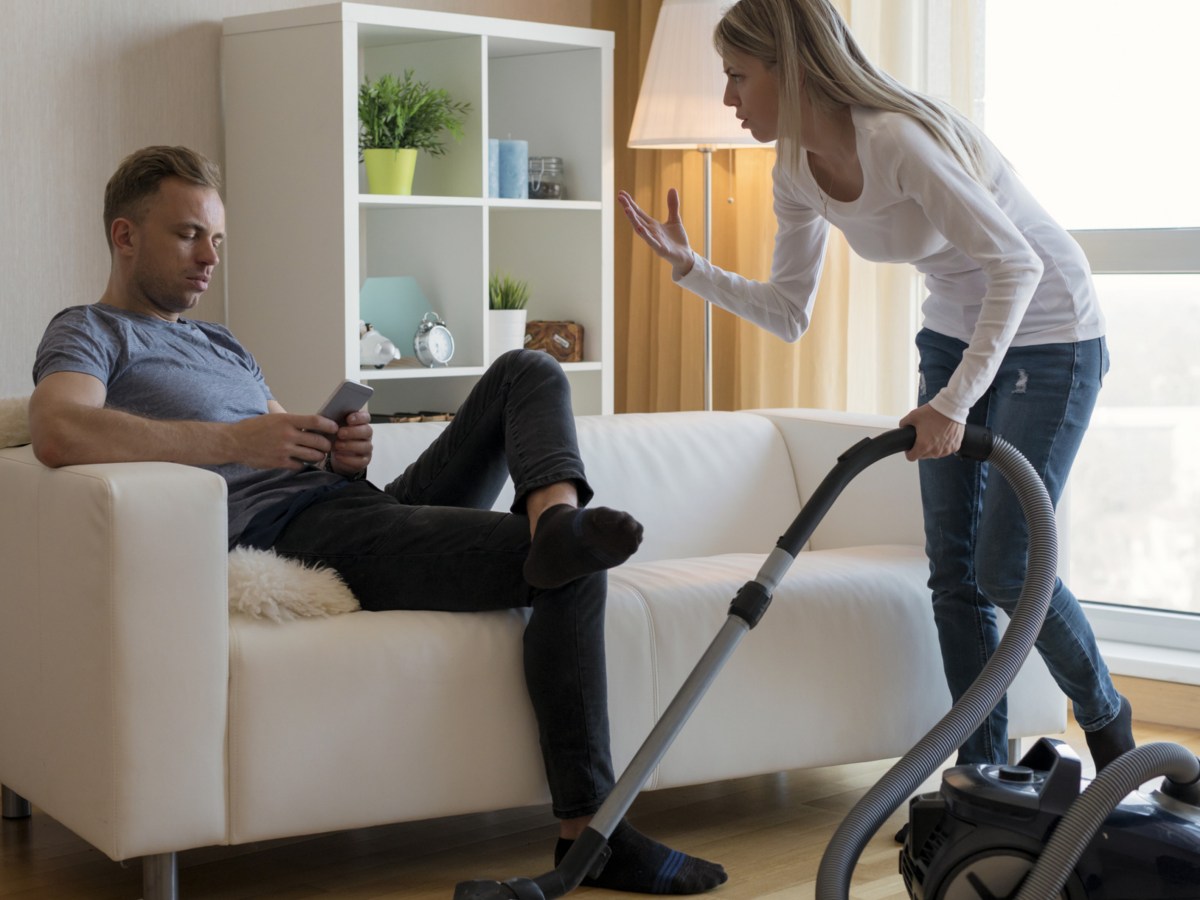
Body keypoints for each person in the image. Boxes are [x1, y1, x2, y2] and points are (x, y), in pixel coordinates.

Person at [29, 145, 727, 896]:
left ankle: (555, 519)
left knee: (529, 369)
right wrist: (235, 443)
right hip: (302, 536)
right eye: (189, 235)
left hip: (353, 504)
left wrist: (339, 451)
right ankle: (591, 836)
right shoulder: (91, 331)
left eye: (218, 241)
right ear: (125, 235)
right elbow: (59, 429)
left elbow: (283, 446)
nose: (209, 258)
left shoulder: (219, 340)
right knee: (573, 566)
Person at [619, 0, 1134, 779]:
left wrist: (952, 402)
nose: (729, 100)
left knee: (1005, 565)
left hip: (1051, 329)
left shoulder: (896, 140)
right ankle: (983, 777)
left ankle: (1108, 721)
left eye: (736, 77)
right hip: (957, 331)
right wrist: (694, 272)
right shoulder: (794, 167)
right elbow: (791, 312)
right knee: (952, 573)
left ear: (788, 70)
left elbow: (1017, 266)